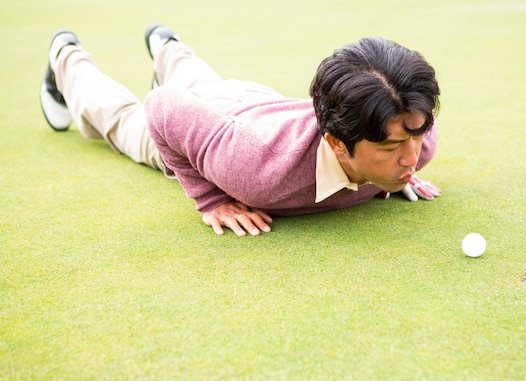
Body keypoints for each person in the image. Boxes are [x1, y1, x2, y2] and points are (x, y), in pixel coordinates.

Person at [40, 24, 442, 237]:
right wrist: (211, 197)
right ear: (337, 143)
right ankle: (67, 60)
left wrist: (388, 173)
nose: (411, 157)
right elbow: (162, 107)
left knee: (207, 85)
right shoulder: (253, 166)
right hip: (235, 132)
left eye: (415, 137)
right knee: (125, 121)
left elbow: (408, 140)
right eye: (391, 148)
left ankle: (166, 46)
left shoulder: (415, 134)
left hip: (258, 103)